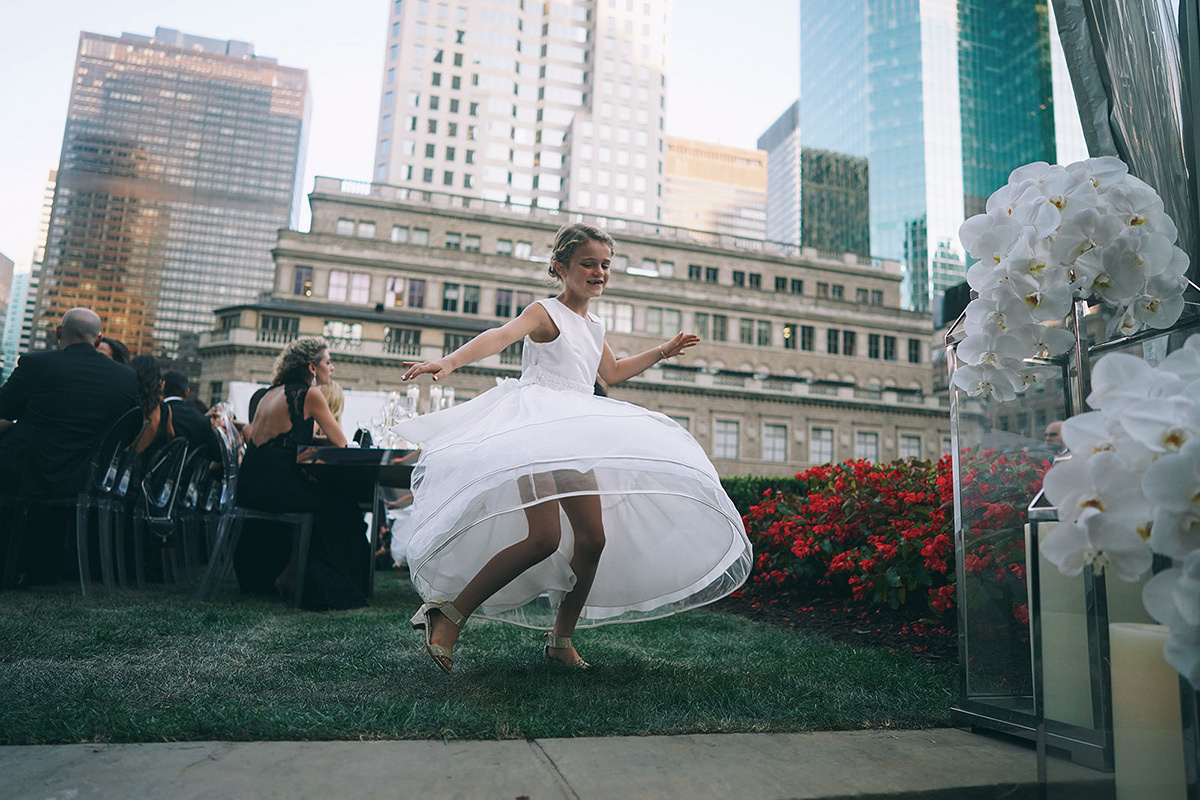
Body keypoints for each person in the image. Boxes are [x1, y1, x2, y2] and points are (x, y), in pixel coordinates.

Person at [396, 223, 753, 672]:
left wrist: (662, 351)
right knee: (543, 537)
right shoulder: (545, 312)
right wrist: (447, 361)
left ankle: (561, 640)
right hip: (534, 428)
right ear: (560, 267)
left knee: (592, 538)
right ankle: (447, 614)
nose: (599, 272)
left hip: (576, 429)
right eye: (588, 264)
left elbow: (613, 374)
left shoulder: (594, 325)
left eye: (605, 264)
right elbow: (500, 335)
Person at [233, 337, 369, 610]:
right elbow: (341, 443)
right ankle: (302, 578)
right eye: (328, 362)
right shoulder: (310, 394)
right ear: (311, 367)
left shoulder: (270, 393)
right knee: (344, 508)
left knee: (328, 503)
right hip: (277, 488)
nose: (332, 369)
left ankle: (291, 572)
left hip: (250, 486)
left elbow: (283, 441)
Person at [0, 308, 139, 497]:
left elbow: (5, 407)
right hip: (86, 484)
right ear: (98, 340)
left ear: (59, 332)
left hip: (24, 476)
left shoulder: (35, 364)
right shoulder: (126, 378)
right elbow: (128, 433)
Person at [162, 371, 220, 461]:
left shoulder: (156, 414)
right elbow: (217, 455)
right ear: (186, 393)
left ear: (162, 388)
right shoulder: (202, 420)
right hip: (187, 474)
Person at [130, 355, 174, 455]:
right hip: (147, 468)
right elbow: (171, 437)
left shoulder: (129, 401)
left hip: (117, 466)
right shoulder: (164, 410)